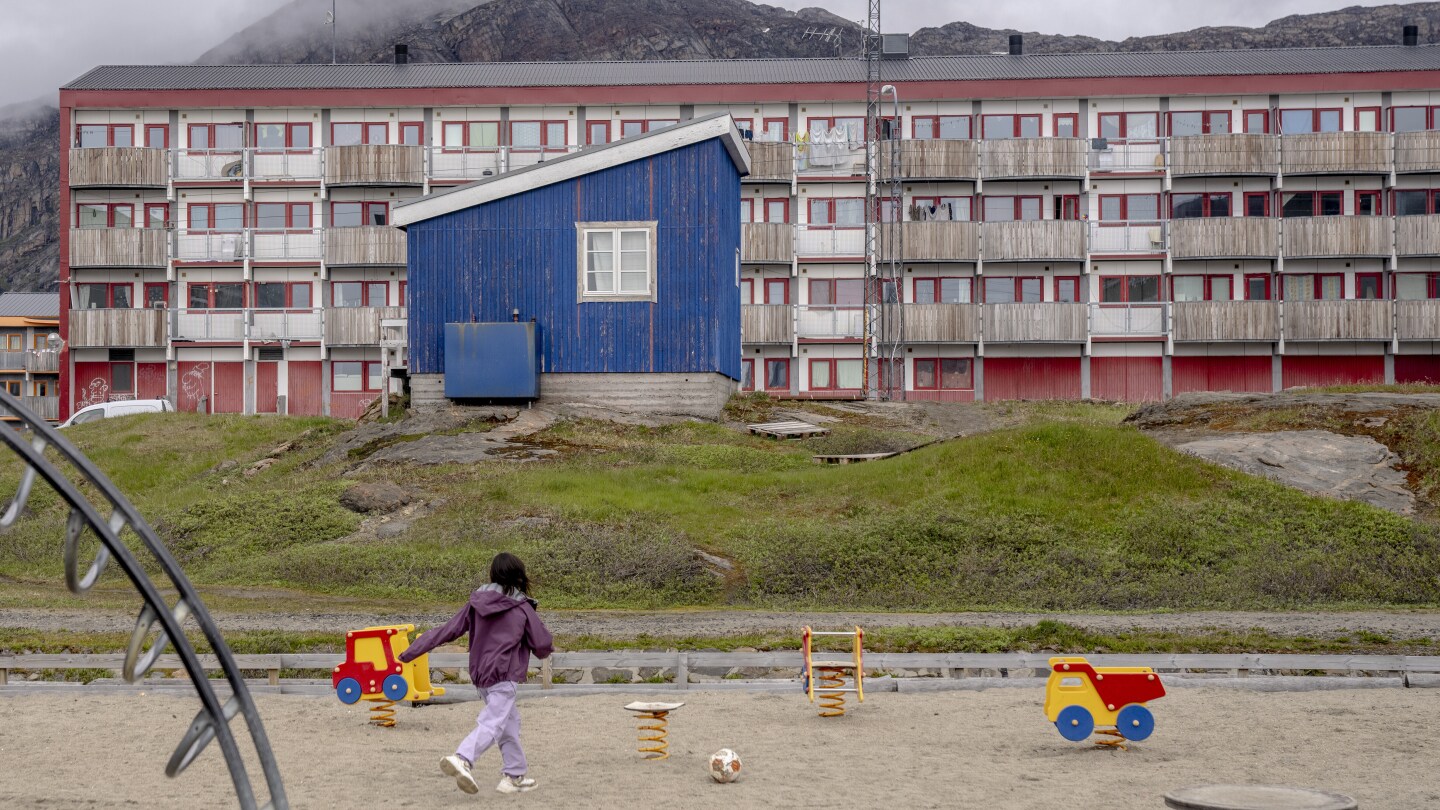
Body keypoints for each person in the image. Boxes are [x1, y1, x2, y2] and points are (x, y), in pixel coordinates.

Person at [398, 552, 554, 795]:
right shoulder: (522, 607)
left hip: (481, 676)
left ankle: (513, 776)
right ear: (519, 576)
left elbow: (447, 630)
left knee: (508, 723)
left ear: (493, 574)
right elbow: (542, 645)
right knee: (493, 722)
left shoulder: (476, 603)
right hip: (504, 674)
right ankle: (463, 758)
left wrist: (409, 652)